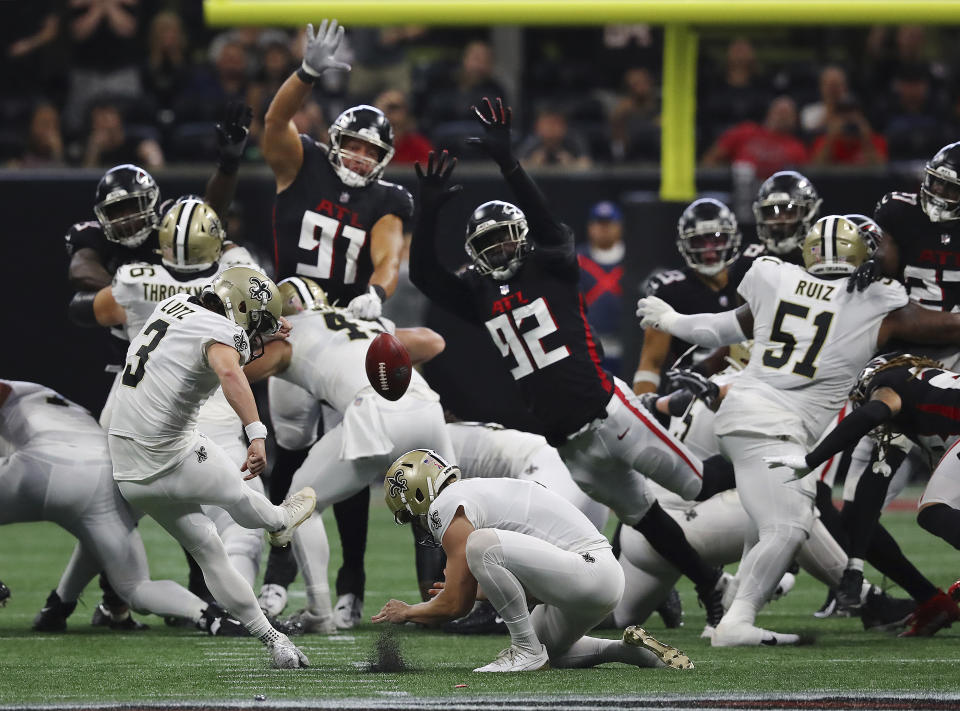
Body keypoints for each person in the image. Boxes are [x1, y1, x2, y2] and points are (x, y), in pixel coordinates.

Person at [409, 100, 734, 631]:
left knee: (697, 486)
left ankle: (774, 474)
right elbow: (425, 274)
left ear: (521, 238)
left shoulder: (551, 264)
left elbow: (548, 223)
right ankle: (712, 584)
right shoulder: (476, 291)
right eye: (486, 244)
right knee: (645, 518)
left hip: (613, 414)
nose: (498, 250)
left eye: (504, 238)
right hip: (571, 444)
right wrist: (429, 212)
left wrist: (510, 165)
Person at [637, 214, 960, 646]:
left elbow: (720, 329)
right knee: (788, 525)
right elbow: (945, 325)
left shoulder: (776, 277)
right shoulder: (877, 299)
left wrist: (672, 319)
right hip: (775, 425)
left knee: (765, 521)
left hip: (744, 411)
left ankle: (729, 615)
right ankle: (737, 623)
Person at [261, 18, 415, 629]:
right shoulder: (301, 164)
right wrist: (304, 74)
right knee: (289, 453)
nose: (359, 157)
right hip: (290, 330)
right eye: (353, 145)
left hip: (346, 331)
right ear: (335, 140)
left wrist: (378, 291)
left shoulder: (388, 199)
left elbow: (389, 252)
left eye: (372, 152)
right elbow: (273, 124)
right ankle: (280, 576)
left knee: (348, 460)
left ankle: (350, 583)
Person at [107, 266, 316, 668]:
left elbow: (207, 342)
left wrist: (261, 327)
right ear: (240, 308)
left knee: (209, 552)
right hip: (173, 456)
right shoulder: (224, 332)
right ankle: (278, 520)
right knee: (240, 498)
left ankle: (274, 642)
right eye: (255, 322)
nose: (255, 334)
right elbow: (228, 370)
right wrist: (256, 431)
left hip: (130, 473)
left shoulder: (172, 306)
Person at [241, 276, 451, 633]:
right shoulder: (366, 321)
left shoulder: (287, 337)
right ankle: (478, 602)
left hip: (374, 415)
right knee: (451, 510)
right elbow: (434, 343)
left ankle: (320, 612)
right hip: (428, 411)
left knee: (301, 503)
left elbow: (234, 374)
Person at [373, 449, 694, 673]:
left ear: (419, 495)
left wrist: (408, 611)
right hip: (594, 576)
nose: (418, 522)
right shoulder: (474, 493)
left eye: (411, 513)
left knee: (480, 545)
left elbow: (456, 606)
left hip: (589, 571)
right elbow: (534, 582)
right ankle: (632, 653)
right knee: (555, 652)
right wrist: (480, 589)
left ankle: (525, 651)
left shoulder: (446, 504)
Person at [91, 199, 267, 590]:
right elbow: (244, 346)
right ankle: (229, 608)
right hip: (207, 411)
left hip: (132, 409)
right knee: (243, 517)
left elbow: (93, 310)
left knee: (108, 514)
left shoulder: (136, 278)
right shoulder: (237, 268)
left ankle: (82, 599)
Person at [1, 379, 235, 633]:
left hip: (37, 467)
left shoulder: (16, 395)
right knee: (135, 586)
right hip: (103, 475)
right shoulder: (64, 404)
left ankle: (61, 606)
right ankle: (210, 617)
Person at [763, 352, 960, 636]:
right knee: (934, 508)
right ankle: (932, 601)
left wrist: (811, 460)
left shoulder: (889, 382)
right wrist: (854, 567)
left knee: (933, 511)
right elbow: (871, 492)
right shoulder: (922, 394)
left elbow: (874, 411)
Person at [633, 197, 759, 395]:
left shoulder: (754, 273)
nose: (709, 252)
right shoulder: (669, 289)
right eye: (699, 241)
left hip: (749, 385)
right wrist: (643, 409)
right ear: (684, 243)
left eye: (717, 239)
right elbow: (652, 363)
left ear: (732, 239)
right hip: (691, 393)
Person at [701, 96, 808, 180]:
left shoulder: (797, 147)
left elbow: (804, 176)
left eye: (787, 114)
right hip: (740, 189)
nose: (782, 117)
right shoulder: (745, 131)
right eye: (779, 112)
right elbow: (711, 159)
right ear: (769, 113)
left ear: (795, 120)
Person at [577, 201, 628, 376]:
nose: (604, 229)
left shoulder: (635, 259)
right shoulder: (577, 261)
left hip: (627, 347)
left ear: (619, 226)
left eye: (609, 224)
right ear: (590, 227)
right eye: (599, 224)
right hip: (590, 349)